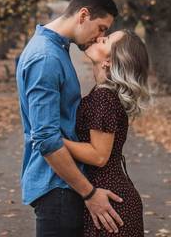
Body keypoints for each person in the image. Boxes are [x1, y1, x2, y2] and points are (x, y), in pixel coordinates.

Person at [17, 0, 124, 236]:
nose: (100, 36)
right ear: (83, 15)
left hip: (62, 187)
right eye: (101, 28)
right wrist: (89, 193)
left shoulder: (55, 49)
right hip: (60, 190)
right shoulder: (46, 57)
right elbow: (46, 139)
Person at [63, 30, 151, 237]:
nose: (100, 37)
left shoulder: (104, 97)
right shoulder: (101, 92)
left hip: (109, 201)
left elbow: (99, 156)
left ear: (110, 61)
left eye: (107, 40)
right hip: (107, 195)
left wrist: (53, 141)